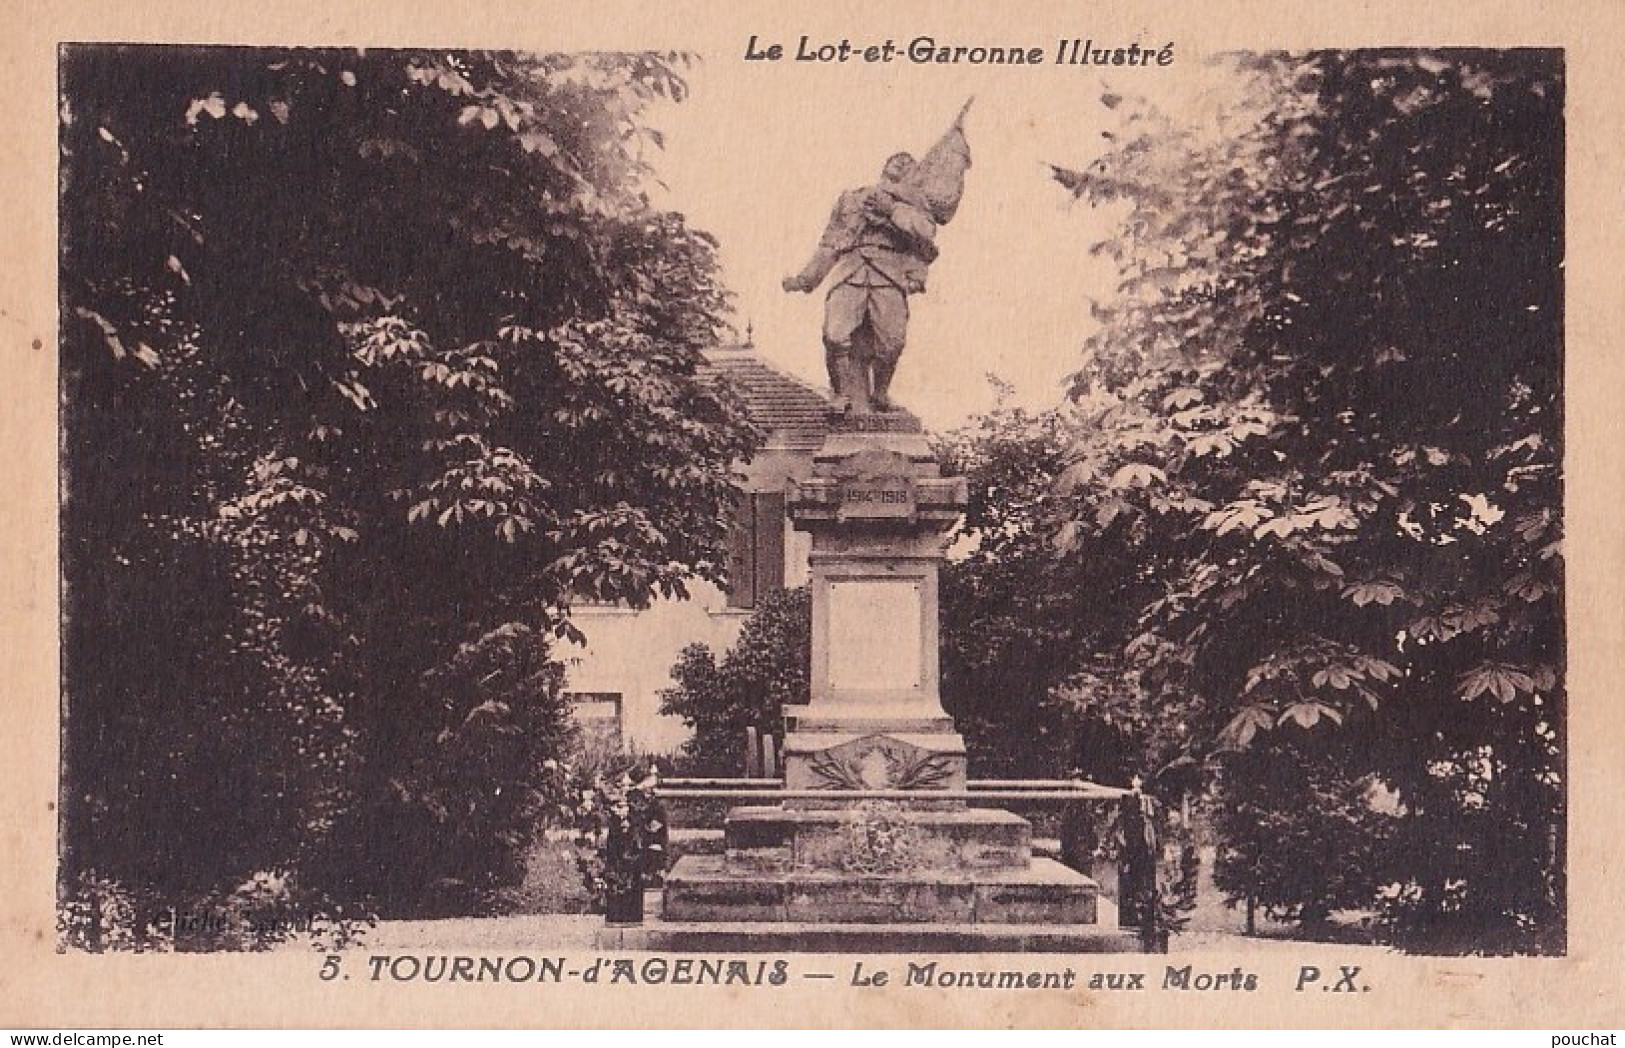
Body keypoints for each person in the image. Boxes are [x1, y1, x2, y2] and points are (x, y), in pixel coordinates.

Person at [783, 101, 972, 414]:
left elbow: (925, 236)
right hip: (850, 270)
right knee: (834, 335)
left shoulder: (916, 207)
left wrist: (893, 211)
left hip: (888, 275)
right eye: (894, 161)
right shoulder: (853, 197)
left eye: (906, 164)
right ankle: (842, 394)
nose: (899, 164)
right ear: (884, 168)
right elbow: (830, 242)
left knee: (892, 343)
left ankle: (880, 393)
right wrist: (805, 279)